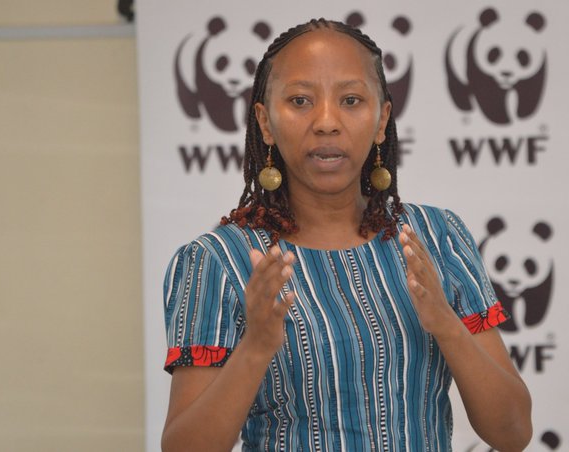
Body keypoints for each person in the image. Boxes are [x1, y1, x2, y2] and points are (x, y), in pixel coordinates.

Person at [161, 18, 532, 452]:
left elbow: (513, 433)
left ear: (382, 119)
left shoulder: (436, 237)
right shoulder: (219, 261)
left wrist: (447, 326)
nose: (326, 122)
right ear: (264, 121)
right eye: (300, 101)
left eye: (351, 100)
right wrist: (257, 347)